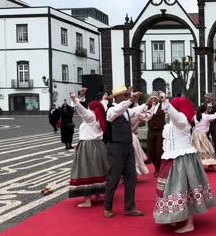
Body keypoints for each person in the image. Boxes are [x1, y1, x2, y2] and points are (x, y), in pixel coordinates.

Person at [153, 92, 216, 233]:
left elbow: (176, 117)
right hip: (171, 159)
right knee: (172, 190)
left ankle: (189, 223)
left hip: (182, 160)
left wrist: (166, 102)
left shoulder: (182, 121)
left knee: (186, 190)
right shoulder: (171, 123)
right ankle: (175, 217)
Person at [103, 85, 155, 218]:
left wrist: (146, 103)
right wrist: (130, 100)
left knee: (131, 177)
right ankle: (107, 207)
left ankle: (130, 207)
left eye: (127, 94)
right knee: (113, 178)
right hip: (115, 147)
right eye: (125, 95)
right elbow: (119, 110)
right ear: (117, 97)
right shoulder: (111, 110)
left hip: (127, 146)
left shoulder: (126, 110)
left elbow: (136, 110)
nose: (127, 96)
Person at [68, 88, 109, 208]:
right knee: (98, 170)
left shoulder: (90, 117)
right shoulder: (100, 116)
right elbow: (102, 105)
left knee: (86, 171)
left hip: (88, 146)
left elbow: (82, 110)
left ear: (91, 108)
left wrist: (75, 99)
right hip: (99, 146)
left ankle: (87, 200)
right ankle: (98, 195)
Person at [191, 103, 216, 171]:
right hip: (202, 135)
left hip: (196, 134)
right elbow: (215, 115)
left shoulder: (195, 116)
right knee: (209, 149)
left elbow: (191, 120)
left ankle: (198, 165)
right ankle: (210, 165)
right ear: (205, 110)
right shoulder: (206, 116)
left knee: (197, 150)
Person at [142, 91, 166, 177]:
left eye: (155, 98)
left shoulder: (162, 105)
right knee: (150, 150)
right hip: (151, 131)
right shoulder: (147, 107)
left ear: (157, 99)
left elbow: (168, 106)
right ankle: (156, 166)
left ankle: (157, 169)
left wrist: (164, 98)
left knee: (159, 150)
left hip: (160, 131)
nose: (153, 100)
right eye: (151, 98)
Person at [203, 93, 216, 159]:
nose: (206, 99)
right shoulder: (204, 104)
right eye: (205, 97)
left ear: (210, 97)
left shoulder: (215, 104)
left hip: (213, 123)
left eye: (207, 97)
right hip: (206, 123)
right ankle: (210, 151)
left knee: (215, 139)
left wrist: (214, 106)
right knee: (206, 138)